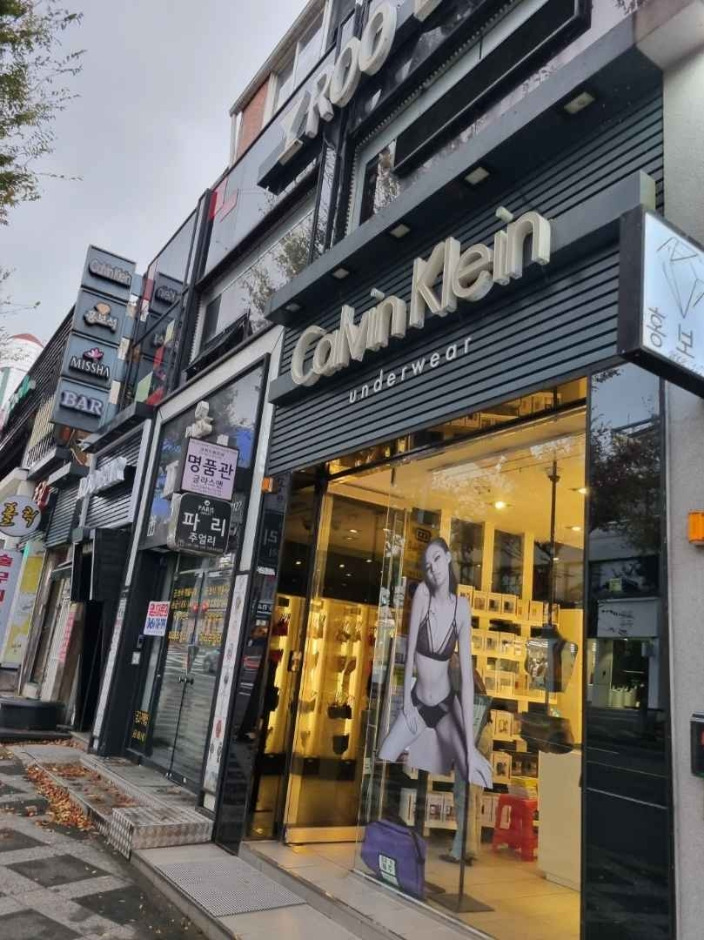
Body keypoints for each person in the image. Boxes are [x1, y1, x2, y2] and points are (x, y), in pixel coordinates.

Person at [379, 537, 493, 787]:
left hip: (446, 706)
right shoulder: (423, 594)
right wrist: (407, 703)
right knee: (384, 754)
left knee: (473, 769)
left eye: (437, 559)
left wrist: (469, 742)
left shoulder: (462, 607)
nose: (433, 568)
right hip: (417, 703)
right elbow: (410, 649)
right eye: (428, 565)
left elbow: (467, 678)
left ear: (449, 558)